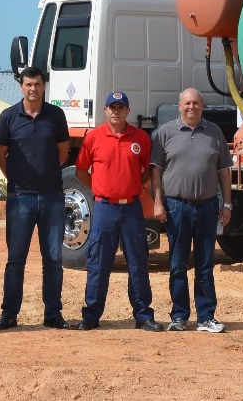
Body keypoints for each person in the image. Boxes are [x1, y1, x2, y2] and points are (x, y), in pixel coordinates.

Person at [71, 91, 163, 332]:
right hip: (104, 208)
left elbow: (147, 170)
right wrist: (99, 189)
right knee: (98, 263)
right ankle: (91, 316)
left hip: (132, 208)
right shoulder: (94, 137)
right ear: (105, 110)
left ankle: (143, 315)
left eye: (120, 107)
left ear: (127, 111)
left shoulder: (141, 138)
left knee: (138, 262)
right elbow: (81, 170)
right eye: (112, 107)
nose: (116, 111)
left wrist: (134, 185)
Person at [149, 88, 233, 334]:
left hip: (208, 206)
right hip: (176, 207)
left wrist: (227, 204)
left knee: (205, 263)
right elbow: (156, 171)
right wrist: (158, 202)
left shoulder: (214, 132)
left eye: (196, 103)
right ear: (179, 106)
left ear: (202, 105)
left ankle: (206, 317)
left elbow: (224, 171)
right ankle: (179, 316)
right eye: (187, 103)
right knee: (177, 263)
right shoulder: (165, 133)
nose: (191, 107)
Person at [0, 66, 71, 330]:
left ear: (44, 86)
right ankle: (9, 313)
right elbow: (0, 153)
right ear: (21, 87)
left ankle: (52, 313)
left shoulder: (56, 115)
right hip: (20, 198)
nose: (33, 89)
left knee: (53, 259)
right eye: (28, 84)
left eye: (37, 84)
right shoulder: (8, 116)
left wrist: (46, 174)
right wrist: (15, 177)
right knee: (16, 259)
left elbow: (63, 152)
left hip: (52, 196)